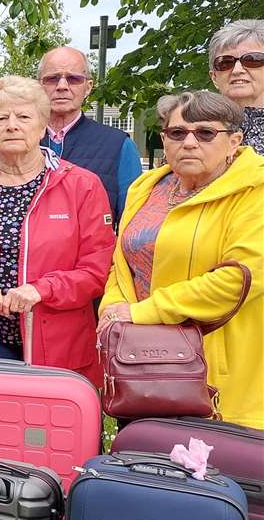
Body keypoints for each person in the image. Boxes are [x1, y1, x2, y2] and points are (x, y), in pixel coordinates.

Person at [0, 77, 114, 379]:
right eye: (1, 118)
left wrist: (42, 290)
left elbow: (96, 269)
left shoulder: (82, 186)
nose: (12, 125)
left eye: (24, 117)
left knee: (47, 426)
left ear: (43, 127)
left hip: (57, 345)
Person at [100, 91, 264, 428]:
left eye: (205, 133)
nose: (189, 142)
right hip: (142, 369)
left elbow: (239, 279)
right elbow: (123, 262)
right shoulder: (146, 187)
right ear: (164, 138)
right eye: (177, 133)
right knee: (144, 470)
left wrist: (141, 313)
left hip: (217, 374)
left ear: (234, 140)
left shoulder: (255, 190)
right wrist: (113, 310)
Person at [37, 45, 143, 223]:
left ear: (88, 87)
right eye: (52, 78)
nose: (62, 86)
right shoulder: (16, 141)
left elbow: (132, 225)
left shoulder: (119, 146)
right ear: (39, 85)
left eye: (73, 79)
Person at [207, 19, 264, 154]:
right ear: (214, 77)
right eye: (225, 63)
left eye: (252, 60)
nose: (237, 70)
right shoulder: (192, 130)